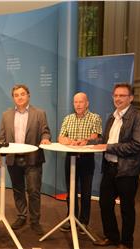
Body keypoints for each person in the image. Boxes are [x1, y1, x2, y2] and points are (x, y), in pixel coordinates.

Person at [92, 83, 140, 249]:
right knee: (105, 205)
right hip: (109, 168)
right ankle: (112, 237)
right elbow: (105, 141)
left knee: (126, 209)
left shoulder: (139, 118)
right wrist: (88, 142)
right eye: (115, 95)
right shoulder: (112, 117)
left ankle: (126, 243)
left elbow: (136, 145)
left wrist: (108, 147)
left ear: (130, 98)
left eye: (122, 95)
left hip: (127, 171)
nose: (118, 99)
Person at [0, 84, 51, 235]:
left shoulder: (40, 113)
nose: (19, 97)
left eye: (22, 94)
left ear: (28, 95)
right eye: (16, 95)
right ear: (13, 97)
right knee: (18, 189)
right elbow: (2, 137)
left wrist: (45, 139)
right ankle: (21, 216)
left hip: (33, 158)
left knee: (33, 190)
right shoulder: (6, 115)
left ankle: (35, 220)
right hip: (13, 159)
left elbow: (46, 132)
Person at [58, 92, 102, 233]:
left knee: (86, 191)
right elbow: (61, 137)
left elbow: (95, 136)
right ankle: (71, 217)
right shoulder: (68, 118)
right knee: (71, 190)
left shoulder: (95, 117)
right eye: (75, 102)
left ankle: (83, 221)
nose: (78, 105)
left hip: (86, 159)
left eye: (81, 102)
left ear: (87, 103)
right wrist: (71, 141)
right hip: (70, 157)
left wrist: (84, 142)